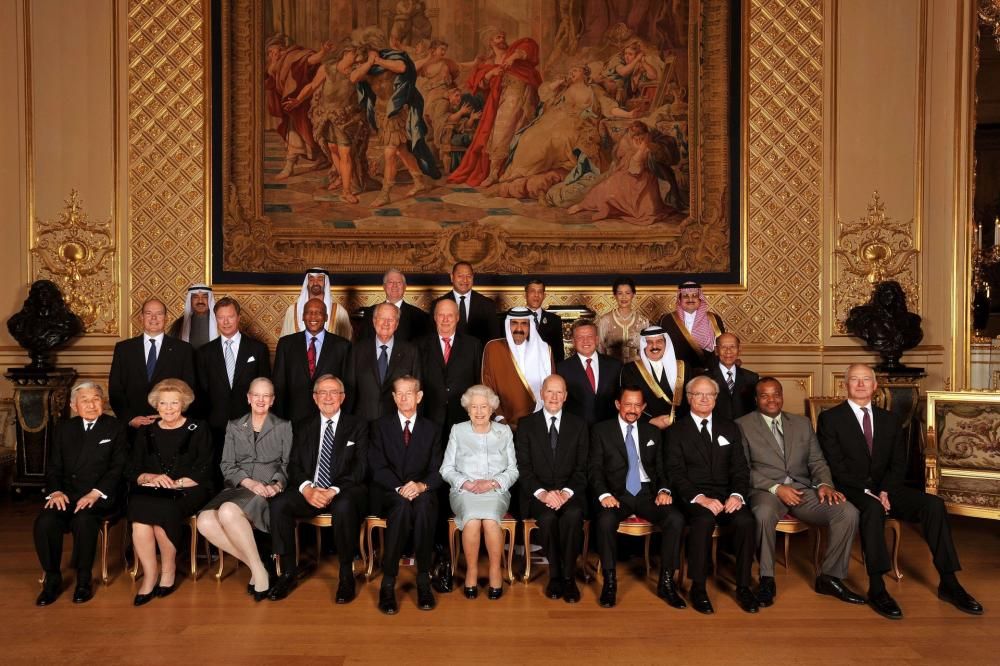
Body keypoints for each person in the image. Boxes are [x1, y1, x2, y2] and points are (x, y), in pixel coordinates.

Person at [817, 364, 983, 619]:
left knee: (934, 505)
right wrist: (868, 491)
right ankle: (877, 587)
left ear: (875, 386)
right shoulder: (830, 419)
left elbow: (898, 462)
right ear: (845, 385)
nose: (860, 384)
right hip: (852, 489)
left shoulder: (890, 419)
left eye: (866, 379)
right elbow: (835, 466)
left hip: (887, 488)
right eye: (854, 379)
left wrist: (885, 490)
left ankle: (949, 583)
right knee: (872, 508)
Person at [736, 378, 863, 608]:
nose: (772, 400)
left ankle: (829, 577)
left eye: (776, 394)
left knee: (847, 512)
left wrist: (824, 484)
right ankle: (766, 579)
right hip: (766, 490)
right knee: (763, 514)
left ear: (782, 396)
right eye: (764, 395)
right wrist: (777, 488)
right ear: (756, 399)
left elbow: (817, 461)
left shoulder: (802, 423)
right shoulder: (742, 425)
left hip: (803, 489)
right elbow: (742, 469)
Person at [267, 375, 368, 604]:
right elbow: (293, 465)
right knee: (279, 504)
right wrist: (307, 489)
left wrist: (333, 490)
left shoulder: (358, 425)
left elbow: (361, 467)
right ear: (315, 398)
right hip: (311, 490)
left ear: (342, 397)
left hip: (344, 490)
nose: (328, 397)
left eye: (334, 392)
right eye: (323, 392)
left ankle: (346, 574)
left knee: (344, 505)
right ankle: (288, 573)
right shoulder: (303, 425)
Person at [665, 376, 757, 615]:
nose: (705, 399)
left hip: (726, 495)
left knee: (746, 520)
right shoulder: (676, 431)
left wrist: (736, 495)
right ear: (689, 398)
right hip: (694, 497)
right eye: (699, 394)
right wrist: (700, 498)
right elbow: (675, 473)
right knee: (703, 520)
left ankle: (744, 586)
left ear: (716, 398)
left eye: (710, 394)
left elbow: (740, 468)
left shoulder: (730, 428)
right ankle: (698, 587)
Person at [589, 385, 685, 609]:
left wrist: (664, 490)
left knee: (675, 518)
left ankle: (666, 582)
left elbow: (661, 468)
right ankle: (610, 583)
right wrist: (604, 494)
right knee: (605, 520)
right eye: (628, 404)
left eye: (637, 405)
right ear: (618, 404)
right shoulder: (601, 430)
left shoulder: (652, 432)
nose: (632, 409)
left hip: (646, 494)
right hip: (616, 494)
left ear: (643, 407)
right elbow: (594, 469)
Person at [196, 378, 292, 601]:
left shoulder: (284, 426)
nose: (261, 400)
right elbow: (227, 464)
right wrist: (248, 483)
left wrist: (277, 485)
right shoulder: (234, 425)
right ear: (248, 398)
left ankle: (259, 574)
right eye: (256, 395)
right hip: (240, 486)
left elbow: (289, 464)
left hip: (267, 490)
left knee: (227, 512)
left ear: (272, 400)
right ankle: (258, 566)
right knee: (204, 521)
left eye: (266, 396)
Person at [34, 382, 127, 606]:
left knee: (84, 521)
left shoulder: (116, 427)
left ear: (103, 402)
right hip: (66, 494)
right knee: (45, 522)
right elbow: (54, 466)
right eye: (85, 400)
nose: (91, 405)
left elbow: (119, 467)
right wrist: (55, 491)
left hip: (100, 496)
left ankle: (84, 580)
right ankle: (52, 579)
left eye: (96, 399)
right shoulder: (64, 428)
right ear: (74, 406)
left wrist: (95, 493)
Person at [127, 379, 213, 606]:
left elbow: (204, 468)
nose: (168, 408)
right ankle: (150, 575)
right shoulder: (146, 431)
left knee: (163, 510)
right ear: (156, 405)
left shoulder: (198, 428)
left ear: (183, 404)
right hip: (152, 489)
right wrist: (150, 478)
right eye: (163, 403)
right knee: (140, 513)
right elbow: (133, 469)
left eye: (174, 403)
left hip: (187, 489)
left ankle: (168, 570)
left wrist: (175, 484)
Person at [416, 298, 483, 592]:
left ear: (458, 318)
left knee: (459, 481)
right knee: (434, 482)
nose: (445, 320)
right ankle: (438, 548)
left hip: (462, 425)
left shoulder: (473, 345)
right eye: (440, 315)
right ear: (434, 318)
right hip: (429, 425)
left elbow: (478, 384)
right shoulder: (419, 345)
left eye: (450, 315)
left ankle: (460, 547)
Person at [369, 376, 443, 614]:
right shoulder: (380, 426)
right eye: (398, 394)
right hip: (390, 491)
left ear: (419, 397)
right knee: (401, 507)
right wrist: (400, 488)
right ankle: (388, 581)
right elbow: (377, 467)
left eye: (408, 393)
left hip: (421, 490)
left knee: (424, 506)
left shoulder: (432, 429)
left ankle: (423, 579)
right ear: (393, 397)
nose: (403, 398)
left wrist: (421, 486)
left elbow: (439, 469)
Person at [440, 385, 519, 599]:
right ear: (468, 409)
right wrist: (466, 483)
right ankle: (472, 571)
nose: (479, 411)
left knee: (491, 520)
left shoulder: (504, 432)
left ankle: (495, 570)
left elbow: (513, 470)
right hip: (464, 492)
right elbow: (446, 469)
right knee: (472, 520)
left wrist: (492, 483)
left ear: (492, 409)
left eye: (484, 406)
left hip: (496, 491)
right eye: (474, 407)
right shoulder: (458, 430)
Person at [514, 375, 588, 603]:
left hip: (570, 493)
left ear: (565, 396)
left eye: (559, 392)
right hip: (538, 494)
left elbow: (582, 468)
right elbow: (523, 468)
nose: (554, 397)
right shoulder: (526, 425)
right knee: (547, 518)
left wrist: (565, 493)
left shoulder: (579, 425)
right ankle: (555, 575)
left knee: (573, 515)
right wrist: (544, 494)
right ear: (541, 394)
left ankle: (569, 577)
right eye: (549, 391)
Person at [447, 27, 541, 187]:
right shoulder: (488, 63)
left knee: (524, 132)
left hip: (525, 96)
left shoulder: (513, 52)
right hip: (504, 99)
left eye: (503, 37)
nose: (502, 40)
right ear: (490, 42)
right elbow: (479, 84)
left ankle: (514, 170)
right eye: (498, 37)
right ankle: (494, 172)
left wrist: (514, 57)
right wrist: (491, 74)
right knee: (501, 133)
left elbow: (530, 45)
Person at [352, 40, 440, 208]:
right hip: (381, 114)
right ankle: (419, 182)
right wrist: (369, 63)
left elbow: (402, 68)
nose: (358, 65)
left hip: (396, 112)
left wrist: (377, 60)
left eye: (361, 61)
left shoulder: (388, 63)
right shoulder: (367, 70)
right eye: (358, 62)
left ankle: (385, 193)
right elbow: (353, 77)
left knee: (390, 153)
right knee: (402, 150)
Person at [283, 44, 371, 203]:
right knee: (332, 148)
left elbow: (361, 78)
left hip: (346, 118)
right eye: (355, 55)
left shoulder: (354, 72)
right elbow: (312, 86)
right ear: (346, 53)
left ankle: (347, 191)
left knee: (345, 153)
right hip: (326, 116)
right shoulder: (327, 68)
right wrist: (298, 100)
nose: (357, 59)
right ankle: (341, 177)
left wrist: (371, 61)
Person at [195, 296, 270, 457]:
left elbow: (266, 389)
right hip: (215, 427)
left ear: (238, 317)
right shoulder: (204, 352)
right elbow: (201, 392)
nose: (226, 322)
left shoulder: (258, 349)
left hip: (250, 425)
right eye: (221, 317)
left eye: (230, 316)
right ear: (216, 319)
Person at [108, 298, 195, 434]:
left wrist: (169, 415)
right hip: (132, 428)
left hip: (171, 425)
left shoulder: (183, 350)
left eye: (159, 314)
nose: (154, 318)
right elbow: (115, 389)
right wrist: (130, 418)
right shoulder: (124, 349)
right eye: (148, 313)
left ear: (166, 318)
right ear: (141, 317)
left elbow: (189, 388)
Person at [566, 121, 675, 225]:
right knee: (603, 188)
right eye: (635, 137)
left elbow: (636, 169)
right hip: (626, 178)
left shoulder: (650, 147)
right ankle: (582, 205)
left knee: (645, 209)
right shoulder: (628, 144)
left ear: (646, 135)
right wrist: (636, 152)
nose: (638, 139)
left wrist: (641, 149)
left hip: (644, 184)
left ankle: (604, 206)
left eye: (641, 136)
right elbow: (625, 164)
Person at [272, 298, 354, 423]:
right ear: (302, 316)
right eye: (309, 312)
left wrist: (343, 419)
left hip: (329, 418)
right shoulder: (286, 344)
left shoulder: (342, 346)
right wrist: (279, 420)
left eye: (318, 312)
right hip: (293, 418)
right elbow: (279, 385)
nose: (313, 316)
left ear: (326, 317)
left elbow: (348, 386)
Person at [481, 307, 553, 429]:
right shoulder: (493, 348)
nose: (519, 329)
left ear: (530, 326)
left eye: (524, 323)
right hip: (503, 424)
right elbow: (486, 387)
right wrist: (500, 419)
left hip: (538, 423)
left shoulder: (544, 350)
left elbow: (553, 387)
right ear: (507, 325)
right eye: (514, 323)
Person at [351, 302, 422, 423]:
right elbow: (350, 390)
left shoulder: (411, 351)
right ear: (374, 321)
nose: (386, 323)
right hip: (363, 422)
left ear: (397, 324)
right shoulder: (357, 350)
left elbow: (417, 390)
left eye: (391, 319)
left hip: (397, 423)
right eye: (382, 318)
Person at [619, 325, 686, 429]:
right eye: (649, 342)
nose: (654, 346)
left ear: (666, 343)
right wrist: (649, 421)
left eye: (659, 341)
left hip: (681, 427)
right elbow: (627, 403)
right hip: (646, 428)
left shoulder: (683, 367)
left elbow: (691, 400)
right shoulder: (631, 369)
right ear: (643, 345)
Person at [556, 319, 622, 425]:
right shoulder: (562, 368)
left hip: (609, 429)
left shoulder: (615, 366)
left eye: (589, 336)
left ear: (597, 340)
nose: (585, 341)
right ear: (573, 341)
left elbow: (621, 399)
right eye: (580, 337)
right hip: (577, 430)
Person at [658, 281, 725, 370]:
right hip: (678, 370)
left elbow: (722, 347)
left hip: (708, 370)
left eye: (694, 295)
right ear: (680, 299)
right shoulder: (667, 320)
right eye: (686, 296)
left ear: (700, 299)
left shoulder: (714, 319)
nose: (690, 299)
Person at [430, 261, 497, 347]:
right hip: (448, 353)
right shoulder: (438, 304)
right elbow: (432, 338)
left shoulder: (488, 304)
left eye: (468, 276)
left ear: (473, 278)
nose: (465, 280)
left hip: (479, 353)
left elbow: (494, 340)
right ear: (452, 277)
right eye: (460, 276)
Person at [359, 269, 430, 342]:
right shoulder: (370, 312)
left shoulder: (419, 316)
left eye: (399, 282)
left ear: (405, 287)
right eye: (390, 282)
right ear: (384, 286)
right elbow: (363, 343)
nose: (395, 285)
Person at [280, 269, 353, 340]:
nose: (315, 283)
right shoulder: (292, 311)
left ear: (325, 283)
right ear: (307, 282)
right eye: (311, 279)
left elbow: (347, 341)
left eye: (320, 279)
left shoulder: (339, 312)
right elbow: (284, 341)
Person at [596, 276, 649, 364]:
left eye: (627, 293)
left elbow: (646, 348)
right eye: (620, 293)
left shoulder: (642, 321)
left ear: (633, 294)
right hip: (611, 366)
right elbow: (600, 347)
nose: (624, 297)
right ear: (615, 295)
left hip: (636, 366)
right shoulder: (605, 320)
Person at [707, 333, 758, 422]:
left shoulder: (751, 378)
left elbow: (755, 410)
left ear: (739, 350)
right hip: (715, 428)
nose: (728, 351)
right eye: (723, 347)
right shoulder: (704, 378)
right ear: (716, 350)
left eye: (732, 347)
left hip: (744, 428)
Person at [521, 278, 565, 363]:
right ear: (525, 295)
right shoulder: (515, 318)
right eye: (532, 291)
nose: (536, 295)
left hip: (546, 369)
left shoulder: (554, 320)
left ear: (544, 296)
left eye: (540, 292)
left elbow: (559, 354)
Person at [167, 284, 216, 349]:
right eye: (195, 297)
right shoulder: (179, 324)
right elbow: (170, 347)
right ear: (190, 300)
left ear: (210, 300)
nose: (200, 301)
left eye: (205, 297)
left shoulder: (220, 322)